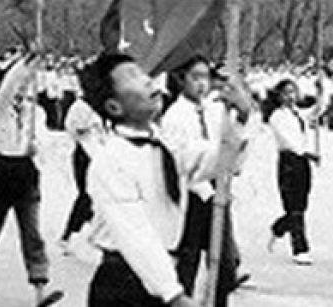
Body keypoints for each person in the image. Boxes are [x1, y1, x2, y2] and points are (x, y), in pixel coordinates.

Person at [79, 52, 244, 307]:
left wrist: (240, 118)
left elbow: (215, 162)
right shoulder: (112, 159)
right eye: (132, 78)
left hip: (159, 276)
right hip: (125, 282)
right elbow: (134, 233)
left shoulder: (163, 142)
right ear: (114, 106)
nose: (146, 80)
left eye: (142, 72)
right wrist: (173, 294)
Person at [0, 55, 64, 306]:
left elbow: (41, 138)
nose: (21, 91)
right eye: (19, 87)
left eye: (25, 88)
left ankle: (40, 285)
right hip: (1, 169)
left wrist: (35, 146)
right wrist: (27, 63)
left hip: (25, 171)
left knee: (32, 231)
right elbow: (10, 84)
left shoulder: (33, 112)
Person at [160, 55, 242, 303]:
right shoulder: (175, 116)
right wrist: (207, 191)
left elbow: (229, 143)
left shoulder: (215, 110)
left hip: (218, 190)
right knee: (188, 261)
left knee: (224, 263)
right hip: (193, 194)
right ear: (181, 79)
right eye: (195, 77)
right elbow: (182, 163)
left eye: (205, 77)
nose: (202, 84)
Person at [266, 79, 320, 265]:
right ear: (279, 96)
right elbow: (289, 142)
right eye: (286, 93)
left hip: (303, 162)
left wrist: (322, 90)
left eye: (293, 92)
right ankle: (300, 249)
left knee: (301, 205)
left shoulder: (298, 114)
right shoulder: (276, 117)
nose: (290, 96)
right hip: (289, 162)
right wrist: (307, 153)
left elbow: (318, 110)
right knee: (294, 206)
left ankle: (279, 228)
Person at [58, 91, 104, 249]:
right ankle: (69, 234)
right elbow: (73, 129)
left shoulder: (100, 109)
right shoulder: (79, 107)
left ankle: (93, 232)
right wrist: (90, 126)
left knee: (96, 196)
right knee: (86, 195)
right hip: (84, 153)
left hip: (98, 154)